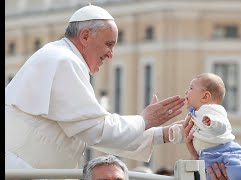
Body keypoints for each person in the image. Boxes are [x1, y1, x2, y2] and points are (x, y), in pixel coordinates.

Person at [5, 4, 185, 169]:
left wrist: (164, 134)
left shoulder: (61, 57)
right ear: (85, 36)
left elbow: (89, 131)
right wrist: (144, 120)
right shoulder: (64, 61)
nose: (111, 55)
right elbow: (96, 130)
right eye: (109, 44)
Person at [170, 73, 241, 180]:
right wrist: (174, 132)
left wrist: (212, 122)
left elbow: (222, 125)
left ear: (205, 96)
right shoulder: (195, 114)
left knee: (237, 171)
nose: (186, 91)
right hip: (207, 155)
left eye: (191, 88)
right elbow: (187, 129)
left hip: (225, 151)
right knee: (208, 176)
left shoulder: (213, 110)